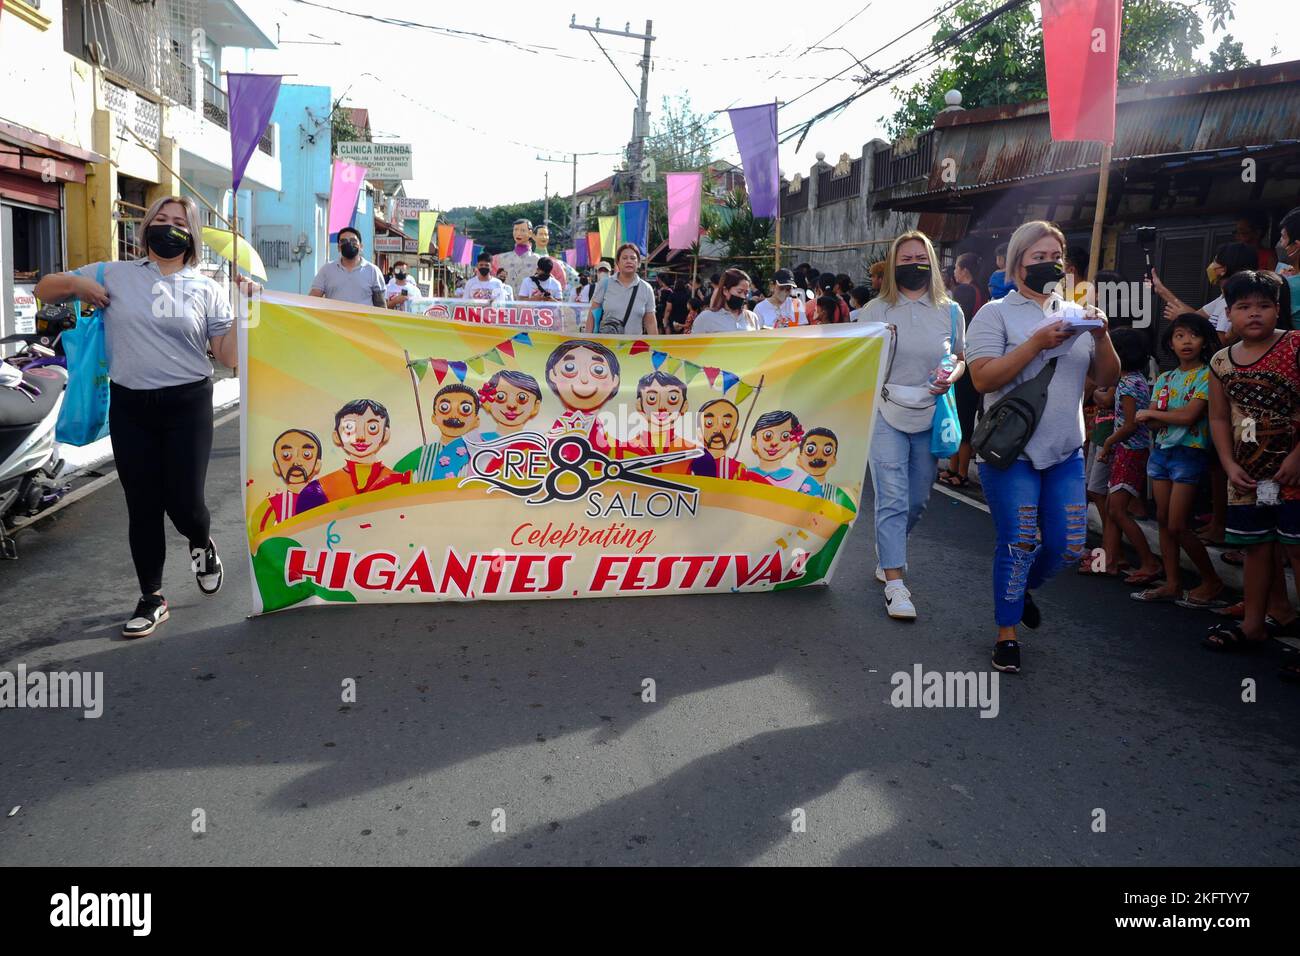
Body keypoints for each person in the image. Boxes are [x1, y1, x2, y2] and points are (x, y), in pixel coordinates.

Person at [34, 195, 246, 637]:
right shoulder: (114, 272)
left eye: (178, 222)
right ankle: (152, 597)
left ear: (191, 237)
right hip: (131, 405)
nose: (167, 227)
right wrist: (78, 287)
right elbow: (44, 288)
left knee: (186, 503)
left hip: (187, 404)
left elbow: (228, 357)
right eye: (160, 219)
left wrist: (246, 311)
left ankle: (201, 542)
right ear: (145, 227)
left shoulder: (206, 287)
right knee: (143, 505)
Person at [967, 220, 1119, 674]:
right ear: (1017, 265)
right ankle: (1007, 632)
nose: (1048, 264)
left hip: (1066, 450)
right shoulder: (994, 314)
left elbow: (1107, 381)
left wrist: (1101, 333)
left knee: (1070, 545)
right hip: (1010, 453)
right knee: (1017, 542)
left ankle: (1021, 589)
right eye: (1038, 257)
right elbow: (983, 378)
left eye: (1055, 257)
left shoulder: (1075, 312)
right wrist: (1036, 343)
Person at [857, 230, 965, 620]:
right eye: (905, 258)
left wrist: (950, 377)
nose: (913, 264)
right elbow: (850, 357)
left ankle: (890, 550)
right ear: (892, 265)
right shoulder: (874, 311)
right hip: (885, 411)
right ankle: (896, 584)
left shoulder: (951, 311)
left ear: (933, 262)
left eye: (921, 257)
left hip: (930, 413)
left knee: (916, 500)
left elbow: (961, 358)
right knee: (892, 495)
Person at [1205, 271, 1300, 654]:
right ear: (1229, 314)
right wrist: (1228, 464)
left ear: (1278, 310)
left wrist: (1297, 456)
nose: (1254, 314)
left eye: (1263, 305)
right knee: (1256, 548)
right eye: (1244, 307)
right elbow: (1218, 418)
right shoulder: (1220, 360)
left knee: (1297, 549)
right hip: (1245, 475)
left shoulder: (1295, 345)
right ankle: (1254, 624)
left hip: (1294, 472)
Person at [1129, 313, 1226, 607]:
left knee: (1177, 523)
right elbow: (1155, 423)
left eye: (1193, 336)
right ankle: (1172, 583)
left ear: (1204, 341)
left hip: (1188, 452)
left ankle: (1212, 580)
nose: (1186, 342)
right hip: (1161, 452)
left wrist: (1154, 414)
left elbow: (1187, 417)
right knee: (1162, 518)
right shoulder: (1166, 378)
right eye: (1179, 336)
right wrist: (1156, 417)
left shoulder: (1208, 375)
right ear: (1170, 343)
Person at [1096, 329, 1161, 585]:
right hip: (1131, 449)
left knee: (1118, 510)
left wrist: (1109, 443)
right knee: (1115, 509)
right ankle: (1112, 561)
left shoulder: (1127, 383)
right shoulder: (1137, 379)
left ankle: (1149, 562)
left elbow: (1130, 424)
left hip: (1130, 450)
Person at [940, 252, 986, 488]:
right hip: (970, 361)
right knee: (959, 416)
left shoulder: (966, 294)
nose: (954, 273)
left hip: (964, 364)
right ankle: (953, 467)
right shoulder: (981, 292)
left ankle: (961, 471)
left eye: (956, 268)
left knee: (961, 418)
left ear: (964, 270)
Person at [587, 244, 656, 335]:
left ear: (638, 263)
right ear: (618, 263)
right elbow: (592, 314)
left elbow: (650, 321)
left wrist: (655, 346)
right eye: (624, 258)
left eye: (633, 258)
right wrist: (587, 340)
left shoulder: (646, 288)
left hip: (633, 347)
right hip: (607, 345)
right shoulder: (605, 284)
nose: (629, 261)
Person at [309, 226, 385, 307]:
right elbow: (313, 300)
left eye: (353, 241)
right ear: (338, 247)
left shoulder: (373, 271)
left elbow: (381, 305)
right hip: (333, 319)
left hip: (363, 319)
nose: (349, 243)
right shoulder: (326, 270)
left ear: (361, 246)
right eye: (343, 241)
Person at [690, 268, 762, 333]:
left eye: (746, 293)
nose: (743, 296)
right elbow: (694, 345)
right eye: (739, 291)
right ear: (725, 291)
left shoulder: (752, 317)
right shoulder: (706, 317)